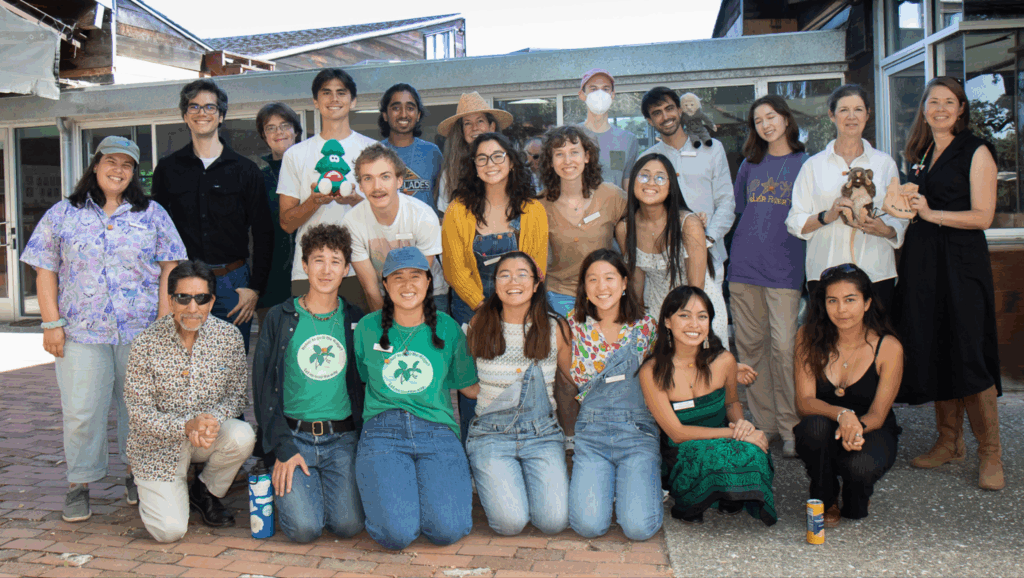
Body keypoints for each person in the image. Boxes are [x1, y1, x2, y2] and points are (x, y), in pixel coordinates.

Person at [20, 136, 187, 522]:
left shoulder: (152, 214)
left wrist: (164, 322)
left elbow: (170, 267)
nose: (118, 170)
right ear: (95, 166)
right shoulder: (64, 213)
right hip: (81, 333)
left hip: (140, 331)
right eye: (111, 161)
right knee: (81, 411)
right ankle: (79, 483)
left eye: (127, 164)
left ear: (135, 173)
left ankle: (135, 473)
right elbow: (45, 268)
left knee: (139, 408)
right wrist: (51, 324)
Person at [893, 77, 1003, 491]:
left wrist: (931, 213)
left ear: (961, 109)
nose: (940, 108)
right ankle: (949, 442)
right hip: (923, 262)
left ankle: (990, 453)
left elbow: (982, 217)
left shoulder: (977, 151)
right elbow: (911, 205)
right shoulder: (920, 153)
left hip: (961, 263)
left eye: (949, 102)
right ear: (924, 109)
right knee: (936, 343)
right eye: (932, 101)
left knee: (969, 348)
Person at [353, 247, 479, 550]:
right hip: (382, 432)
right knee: (394, 535)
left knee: (448, 531)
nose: (407, 285)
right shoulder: (367, 327)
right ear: (384, 284)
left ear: (427, 282)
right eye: (397, 278)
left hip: (436, 430)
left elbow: (470, 388)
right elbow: (362, 376)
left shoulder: (448, 328)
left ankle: (419, 494)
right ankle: (403, 495)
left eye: (415, 277)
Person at [124, 261, 256, 543]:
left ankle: (204, 491)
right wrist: (186, 425)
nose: (193, 307)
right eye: (183, 298)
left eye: (201, 298)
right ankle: (165, 487)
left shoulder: (229, 337)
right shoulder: (145, 344)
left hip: (205, 440)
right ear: (171, 301)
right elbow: (139, 414)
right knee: (169, 532)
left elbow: (236, 397)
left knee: (242, 435)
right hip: (158, 446)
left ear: (212, 301)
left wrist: (210, 421)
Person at [251, 224, 366, 543]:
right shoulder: (279, 317)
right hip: (294, 435)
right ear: (304, 265)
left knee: (348, 525)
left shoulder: (356, 319)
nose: (326, 269)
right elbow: (262, 392)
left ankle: (312, 485)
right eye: (318, 259)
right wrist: (283, 448)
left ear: (346, 268)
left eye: (335, 260)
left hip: (341, 439)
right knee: (304, 529)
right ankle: (282, 476)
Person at [441, 132, 548, 441]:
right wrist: (485, 308)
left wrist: (512, 312)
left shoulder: (533, 211)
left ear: (512, 162)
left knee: (518, 381)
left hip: (521, 310)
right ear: (474, 167)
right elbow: (454, 270)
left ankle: (521, 445)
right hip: (472, 309)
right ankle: (473, 453)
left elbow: (536, 268)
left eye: (498, 156)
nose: (491, 164)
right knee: (472, 388)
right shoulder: (457, 210)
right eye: (482, 158)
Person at [153, 79, 273, 353]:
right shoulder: (168, 169)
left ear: (221, 116)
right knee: (185, 362)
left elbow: (264, 233)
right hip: (184, 282)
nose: (202, 112)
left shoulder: (245, 170)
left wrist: (254, 288)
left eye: (210, 107)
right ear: (185, 115)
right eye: (194, 106)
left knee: (229, 365)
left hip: (233, 283)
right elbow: (156, 232)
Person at [640, 286, 776, 526]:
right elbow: (677, 433)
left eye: (702, 316)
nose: (694, 324)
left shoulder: (724, 360)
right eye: (684, 315)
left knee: (754, 453)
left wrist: (742, 426)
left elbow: (732, 402)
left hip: (723, 436)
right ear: (667, 322)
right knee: (707, 457)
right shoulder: (652, 370)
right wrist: (736, 434)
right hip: (681, 448)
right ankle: (699, 498)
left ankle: (730, 496)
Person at [466, 252, 569, 536]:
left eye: (523, 274)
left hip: (542, 434)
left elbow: (572, 378)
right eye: (505, 274)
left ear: (536, 285)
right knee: (509, 524)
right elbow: (466, 384)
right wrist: (494, 395)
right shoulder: (479, 325)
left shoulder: (555, 327)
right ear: (495, 284)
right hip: (491, 434)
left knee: (553, 522)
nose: (514, 281)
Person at [728, 95, 809, 458]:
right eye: (758, 120)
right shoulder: (750, 164)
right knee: (752, 350)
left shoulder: (806, 164)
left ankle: (792, 426)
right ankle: (765, 425)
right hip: (744, 269)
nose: (765, 125)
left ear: (786, 119)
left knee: (784, 349)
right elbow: (739, 211)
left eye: (771, 116)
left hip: (785, 270)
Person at [562, 249, 662, 541]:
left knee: (639, 529)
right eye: (592, 279)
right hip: (592, 434)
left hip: (637, 432)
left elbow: (673, 367)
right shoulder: (570, 326)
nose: (601, 287)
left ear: (624, 283)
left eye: (609, 278)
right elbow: (562, 373)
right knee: (588, 526)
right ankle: (615, 487)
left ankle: (639, 484)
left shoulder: (647, 328)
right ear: (583, 287)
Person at [794, 264, 903, 526]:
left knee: (858, 481)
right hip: (824, 423)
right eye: (833, 300)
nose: (841, 309)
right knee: (813, 428)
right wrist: (842, 414)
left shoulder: (889, 347)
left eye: (850, 300)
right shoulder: (807, 337)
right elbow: (805, 402)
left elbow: (878, 414)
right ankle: (825, 497)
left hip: (871, 427)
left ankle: (858, 495)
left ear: (867, 303)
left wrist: (855, 428)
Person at [785, 84, 907, 312]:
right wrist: (827, 216)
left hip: (876, 273)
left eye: (858, 109)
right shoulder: (813, 166)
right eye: (843, 110)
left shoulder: (884, 164)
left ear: (867, 115)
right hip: (825, 274)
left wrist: (885, 229)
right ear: (832, 115)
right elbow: (794, 221)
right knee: (828, 345)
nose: (851, 117)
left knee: (875, 342)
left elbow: (899, 216)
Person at [278, 68, 376, 311]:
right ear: (315, 101)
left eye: (341, 93)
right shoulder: (295, 154)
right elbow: (287, 223)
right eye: (326, 93)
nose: (334, 99)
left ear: (352, 101)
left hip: (361, 267)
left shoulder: (372, 150)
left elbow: (387, 216)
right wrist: (314, 201)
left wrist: (355, 200)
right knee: (310, 345)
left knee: (359, 344)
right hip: (310, 270)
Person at [617, 153, 727, 342]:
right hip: (657, 306)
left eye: (660, 178)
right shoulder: (625, 228)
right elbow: (636, 280)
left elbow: (696, 288)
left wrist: (682, 321)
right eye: (644, 176)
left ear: (671, 186)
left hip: (697, 307)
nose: (651, 183)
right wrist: (637, 320)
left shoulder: (688, 223)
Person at [341, 144, 449, 313]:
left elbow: (418, 281)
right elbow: (370, 288)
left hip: (430, 293)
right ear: (360, 186)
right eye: (368, 178)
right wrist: (386, 329)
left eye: (385, 177)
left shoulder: (423, 216)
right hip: (382, 294)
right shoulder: (351, 222)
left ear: (399, 181)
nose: (377, 187)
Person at [640, 87, 734, 272]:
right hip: (664, 259)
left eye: (669, 108)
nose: (666, 117)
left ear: (680, 110)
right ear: (650, 121)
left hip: (709, 256)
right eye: (657, 113)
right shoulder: (647, 160)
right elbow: (644, 210)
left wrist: (708, 239)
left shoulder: (712, 149)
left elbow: (726, 201)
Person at [539, 126, 627, 317]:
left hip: (605, 293)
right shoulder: (539, 205)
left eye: (574, 152)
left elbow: (646, 217)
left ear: (587, 156)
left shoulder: (611, 196)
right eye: (559, 154)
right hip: (560, 295)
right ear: (550, 162)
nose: (568, 160)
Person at [255, 102, 302, 324]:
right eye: (270, 128)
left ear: (296, 131)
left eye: (284, 125)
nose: (279, 132)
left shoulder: (315, 170)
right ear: (264, 136)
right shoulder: (258, 179)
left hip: (312, 279)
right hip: (271, 282)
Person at [436, 91, 513, 213]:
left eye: (480, 121)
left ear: (492, 127)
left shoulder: (507, 163)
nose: (475, 127)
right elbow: (445, 216)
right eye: (467, 123)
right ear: (461, 131)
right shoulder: (450, 174)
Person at [378, 83, 445, 211]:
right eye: (396, 108)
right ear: (385, 115)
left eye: (410, 108)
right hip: (385, 228)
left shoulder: (433, 153)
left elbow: (439, 196)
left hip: (425, 228)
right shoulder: (376, 152)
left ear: (418, 115)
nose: (404, 114)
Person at [578, 69, 639, 190]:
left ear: (612, 95)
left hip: (616, 208)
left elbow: (627, 186)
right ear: (582, 95)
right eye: (593, 89)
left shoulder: (627, 139)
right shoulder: (571, 136)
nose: (600, 94)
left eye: (605, 89)